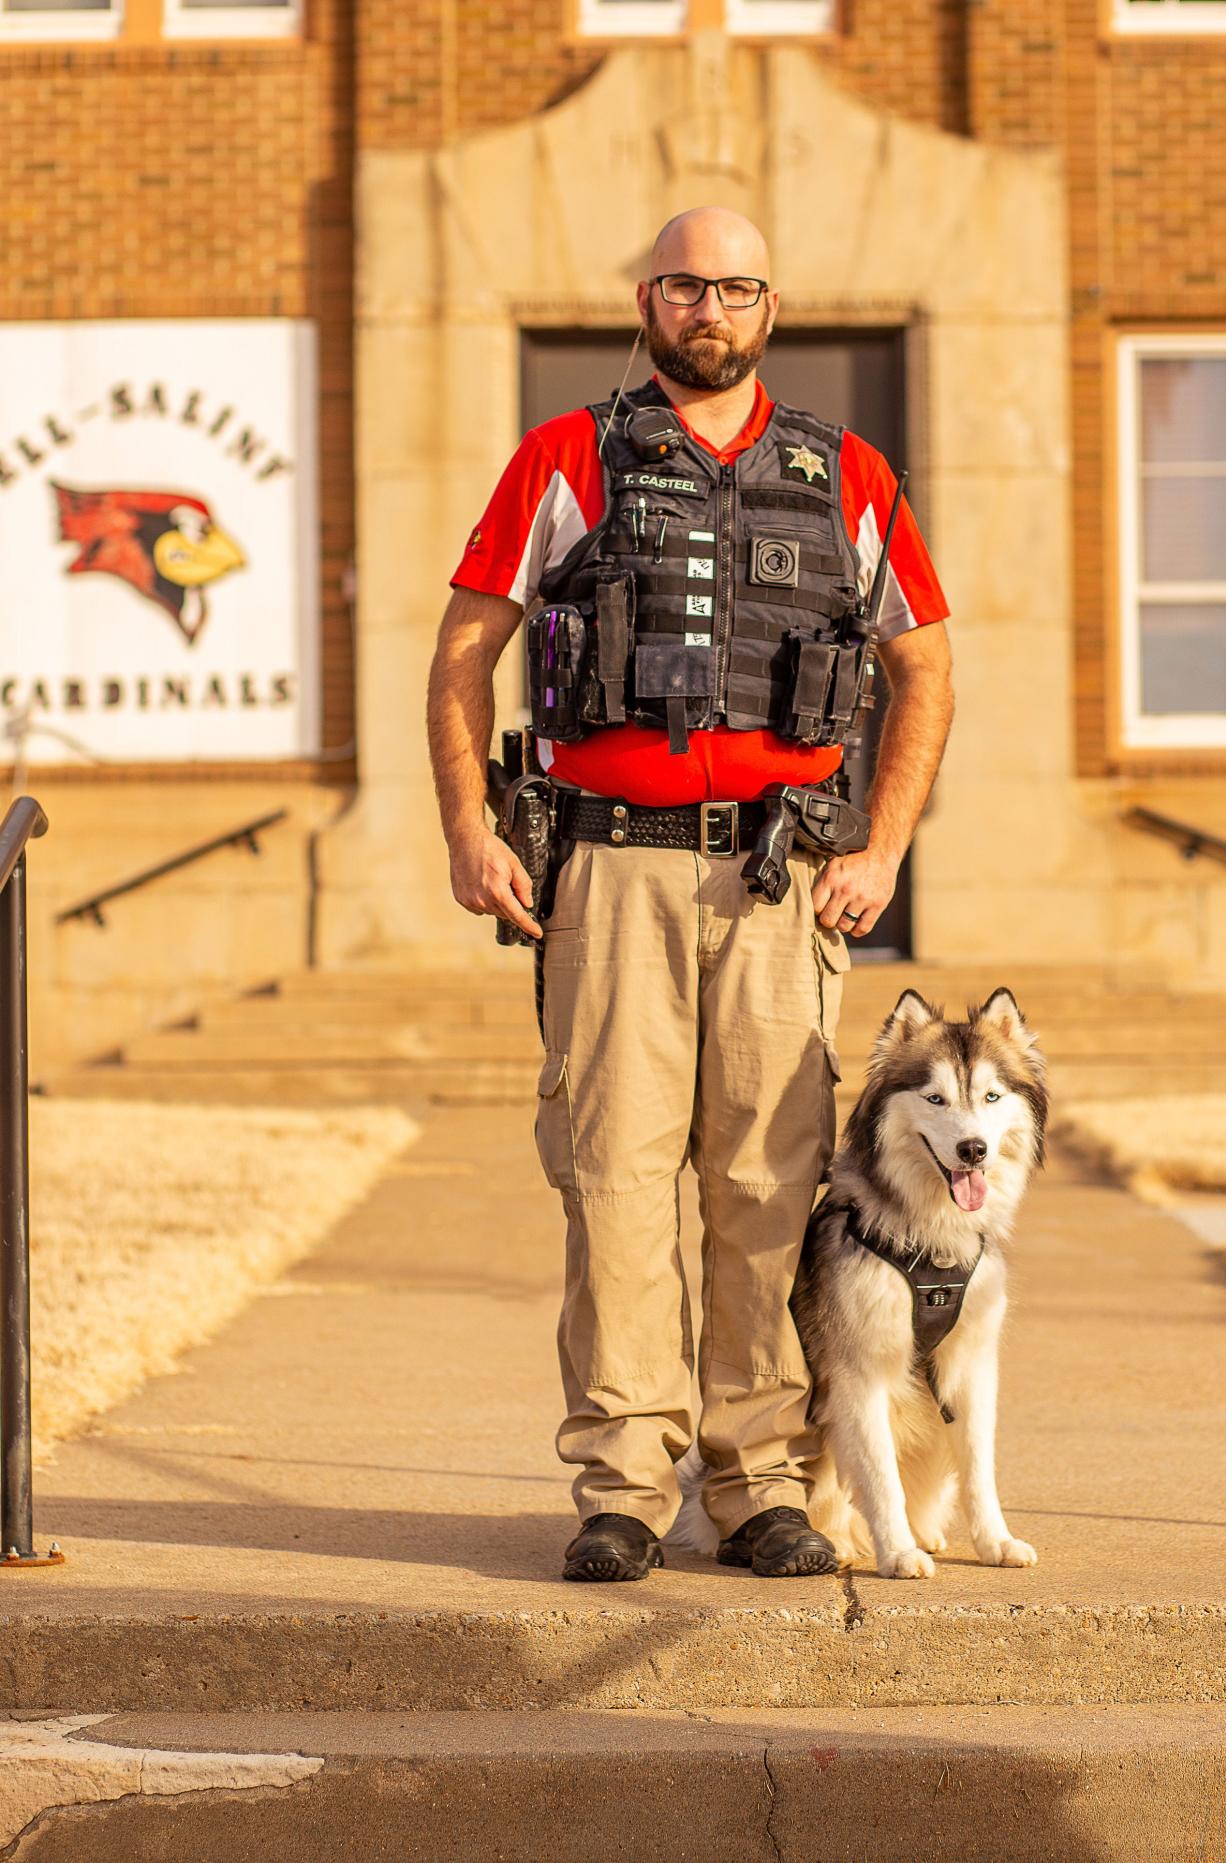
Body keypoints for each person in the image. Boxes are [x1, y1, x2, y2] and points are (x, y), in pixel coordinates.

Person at [427, 207, 954, 1581]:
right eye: (681, 285)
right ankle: (619, 1484)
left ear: (769, 306)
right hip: (606, 873)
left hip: (780, 886)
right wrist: (468, 830)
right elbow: (460, 655)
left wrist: (882, 846)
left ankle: (758, 1484)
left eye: (732, 287)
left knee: (765, 1183)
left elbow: (926, 667)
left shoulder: (846, 472)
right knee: (610, 1180)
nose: (705, 308)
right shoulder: (564, 456)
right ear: (645, 298)